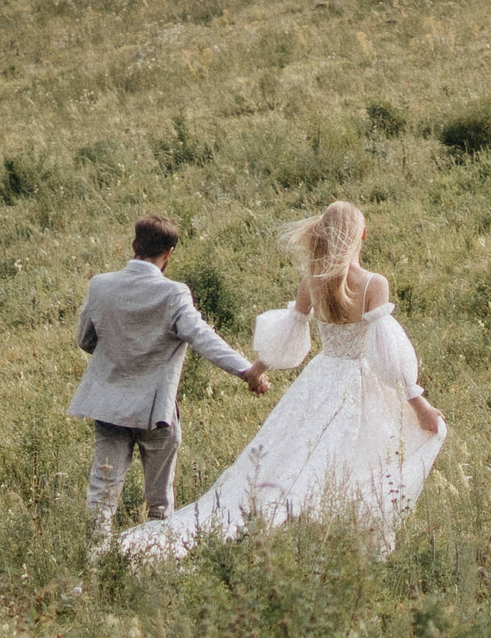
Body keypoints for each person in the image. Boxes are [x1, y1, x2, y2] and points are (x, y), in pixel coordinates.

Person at [118, 200, 447, 562]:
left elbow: (291, 335)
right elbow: (388, 356)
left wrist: (258, 369)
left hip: (321, 378)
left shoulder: (313, 280)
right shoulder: (373, 284)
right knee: (356, 456)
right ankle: (341, 531)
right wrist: (420, 404)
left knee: (298, 451)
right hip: (360, 380)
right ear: (362, 235)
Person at [68, 214, 271, 552]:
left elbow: (85, 339)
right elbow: (203, 338)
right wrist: (247, 371)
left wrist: (114, 355)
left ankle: (95, 557)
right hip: (155, 410)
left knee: (103, 489)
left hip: (108, 404)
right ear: (170, 252)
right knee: (158, 500)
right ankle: (156, 555)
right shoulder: (174, 293)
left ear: (134, 245)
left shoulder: (100, 284)